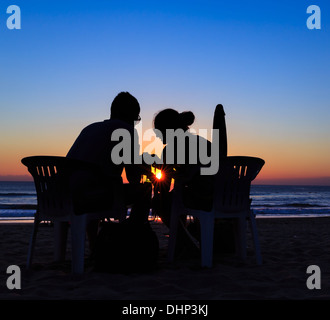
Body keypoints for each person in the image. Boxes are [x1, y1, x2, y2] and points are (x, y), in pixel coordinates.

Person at [66, 92, 152, 249]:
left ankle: (94, 246)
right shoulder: (126, 131)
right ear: (132, 115)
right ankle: (133, 236)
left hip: (64, 196)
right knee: (145, 189)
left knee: (94, 184)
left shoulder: (89, 128)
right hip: (91, 197)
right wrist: (145, 167)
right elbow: (133, 177)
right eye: (137, 118)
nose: (136, 122)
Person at [151, 108, 215, 256]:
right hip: (218, 197)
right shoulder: (204, 142)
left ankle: (187, 243)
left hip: (201, 198)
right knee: (178, 195)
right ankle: (182, 243)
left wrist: (156, 171)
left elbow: (165, 188)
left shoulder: (171, 148)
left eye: (158, 132)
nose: (158, 136)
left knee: (159, 202)